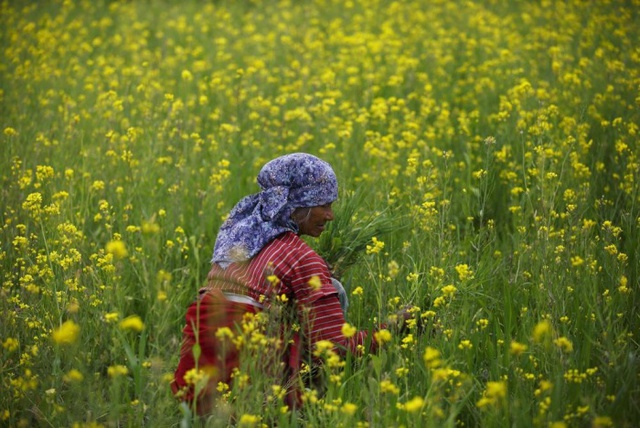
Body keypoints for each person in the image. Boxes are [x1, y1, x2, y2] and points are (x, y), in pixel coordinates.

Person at [171, 153, 395, 415]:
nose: (331, 215)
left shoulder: (238, 239)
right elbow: (336, 347)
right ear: (299, 205)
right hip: (253, 396)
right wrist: (391, 329)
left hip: (196, 384)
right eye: (324, 204)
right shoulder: (301, 257)